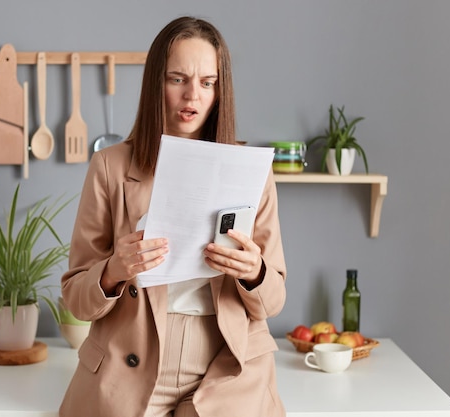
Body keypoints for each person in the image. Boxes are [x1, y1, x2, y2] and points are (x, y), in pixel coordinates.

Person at [59, 16, 287, 417]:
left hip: (228, 367)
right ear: (155, 84)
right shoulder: (110, 166)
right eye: (177, 79)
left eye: (206, 82)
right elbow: (77, 297)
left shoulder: (250, 171)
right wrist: (113, 271)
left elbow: (274, 299)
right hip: (130, 366)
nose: (191, 97)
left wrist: (254, 272)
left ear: (220, 89)